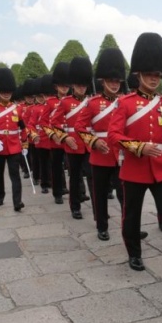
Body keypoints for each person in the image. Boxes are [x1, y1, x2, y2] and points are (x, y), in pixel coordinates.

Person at [108, 32, 162, 275]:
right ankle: (134, 253)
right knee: (132, 216)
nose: (153, 78)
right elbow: (114, 136)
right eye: (149, 74)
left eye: (157, 75)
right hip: (135, 169)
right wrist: (139, 147)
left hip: (161, 168)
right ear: (139, 74)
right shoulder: (126, 103)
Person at [76, 48, 128, 241]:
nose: (114, 84)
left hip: (121, 155)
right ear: (102, 81)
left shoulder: (125, 101)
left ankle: (128, 226)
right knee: (99, 194)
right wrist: (94, 142)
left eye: (117, 81)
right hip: (100, 156)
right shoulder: (93, 103)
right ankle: (102, 226)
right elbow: (81, 128)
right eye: (111, 81)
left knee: (125, 196)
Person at [51, 57, 93, 220]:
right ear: (73, 85)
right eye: (78, 84)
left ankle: (98, 208)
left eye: (84, 85)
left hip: (89, 145)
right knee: (75, 178)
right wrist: (64, 138)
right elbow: (54, 123)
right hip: (73, 145)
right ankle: (75, 207)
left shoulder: (92, 101)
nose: (81, 88)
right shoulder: (66, 102)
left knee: (92, 177)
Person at [0, 68, 27, 211]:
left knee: (15, 175)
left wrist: (25, 144)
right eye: (3, 91)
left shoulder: (18, 109)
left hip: (14, 146)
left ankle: (17, 201)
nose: (6, 93)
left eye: (8, 91)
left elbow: (23, 127)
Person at [41, 62, 70, 204]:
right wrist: (52, 135)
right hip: (57, 140)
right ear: (56, 87)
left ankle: (79, 192)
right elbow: (44, 123)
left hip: (71, 139)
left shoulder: (73, 101)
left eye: (66, 86)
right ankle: (57, 193)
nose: (64, 88)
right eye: (62, 86)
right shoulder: (50, 103)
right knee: (57, 167)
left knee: (74, 168)